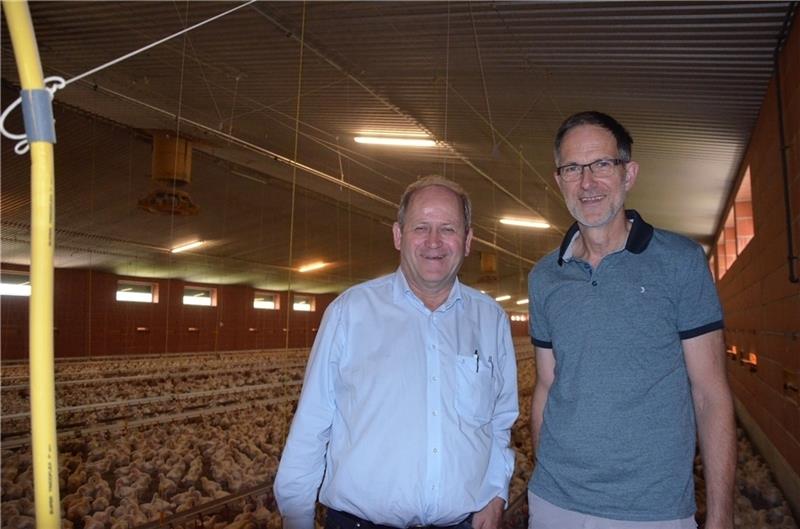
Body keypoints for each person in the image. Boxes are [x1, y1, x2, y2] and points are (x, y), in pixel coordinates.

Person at [527, 111, 736, 529]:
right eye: (573, 168)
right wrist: (543, 475)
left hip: (651, 508)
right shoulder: (545, 277)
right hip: (554, 502)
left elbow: (709, 394)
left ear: (629, 174)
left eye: (602, 164)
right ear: (559, 180)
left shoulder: (680, 262)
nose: (587, 182)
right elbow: (546, 385)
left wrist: (721, 515)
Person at [275, 175, 519, 529]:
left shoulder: (491, 320)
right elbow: (312, 425)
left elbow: (500, 421)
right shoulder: (350, 312)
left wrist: (496, 491)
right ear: (398, 235)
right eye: (421, 227)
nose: (434, 241)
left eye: (448, 229)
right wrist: (296, 518)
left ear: (468, 241)